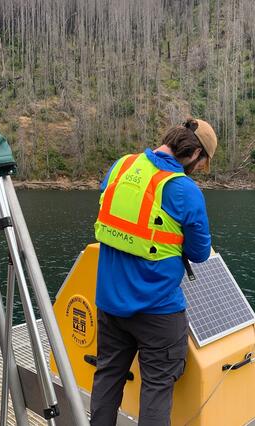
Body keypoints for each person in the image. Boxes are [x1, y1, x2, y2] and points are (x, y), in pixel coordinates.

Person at [90, 118, 218, 426]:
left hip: (109, 303)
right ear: (195, 153)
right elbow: (200, 253)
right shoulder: (184, 190)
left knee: (107, 376)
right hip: (159, 312)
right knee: (157, 388)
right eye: (202, 163)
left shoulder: (120, 167)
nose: (198, 170)